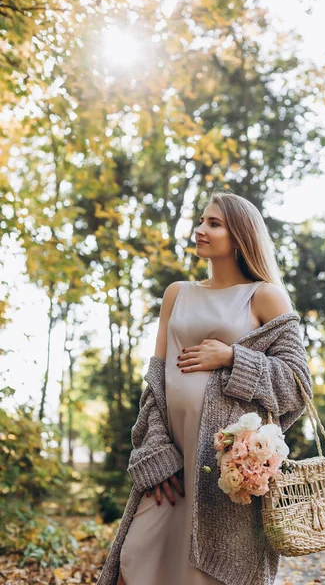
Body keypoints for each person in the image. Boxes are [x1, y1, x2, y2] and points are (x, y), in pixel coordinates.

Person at [97, 191, 312, 585]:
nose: (199, 230)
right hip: (172, 463)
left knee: (208, 571)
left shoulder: (265, 295)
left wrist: (233, 357)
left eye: (213, 224)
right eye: (201, 220)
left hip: (225, 473)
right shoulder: (177, 294)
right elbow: (156, 384)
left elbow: (297, 384)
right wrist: (157, 450)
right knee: (138, 557)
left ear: (240, 237)